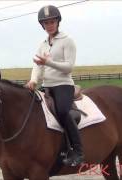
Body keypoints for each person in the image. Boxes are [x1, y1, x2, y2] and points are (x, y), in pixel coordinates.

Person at [25, 5, 84, 166]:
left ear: (58, 22)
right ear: (42, 25)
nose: (49, 25)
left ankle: (78, 151)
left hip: (63, 85)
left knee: (63, 112)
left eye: (52, 22)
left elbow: (69, 66)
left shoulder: (67, 41)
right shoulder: (43, 44)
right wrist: (33, 81)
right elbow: (37, 66)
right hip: (46, 86)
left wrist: (48, 62)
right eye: (46, 23)